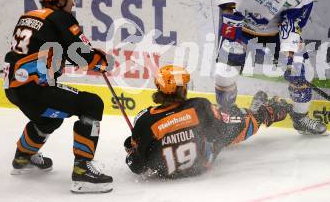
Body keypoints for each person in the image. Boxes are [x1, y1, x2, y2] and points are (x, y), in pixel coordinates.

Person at [3, 0, 114, 193]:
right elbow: (82, 54)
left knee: (47, 120)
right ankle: (83, 173)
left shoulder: (28, 16)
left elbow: (46, 48)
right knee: (91, 104)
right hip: (33, 89)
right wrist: (102, 61)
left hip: (14, 88)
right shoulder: (61, 18)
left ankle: (23, 158)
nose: (73, 1)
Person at [210, 0, 327, 135]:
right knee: (224, 73)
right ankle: (226, 116)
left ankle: (300, 118)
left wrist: (288, 55)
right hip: (240, 26)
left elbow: (292, 25)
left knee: (301, 73)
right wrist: (230, 12)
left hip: (275, 34)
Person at [123, 65, 292, 178]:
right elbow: (220, 133)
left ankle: (248, 114)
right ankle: (261, 114)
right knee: (232, 120)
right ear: (181, 89)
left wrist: (132, 147)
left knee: (220, 120)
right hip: (203, 162)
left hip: (167, 174)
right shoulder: (198, 106)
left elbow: (137, 166)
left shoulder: (144, 120)